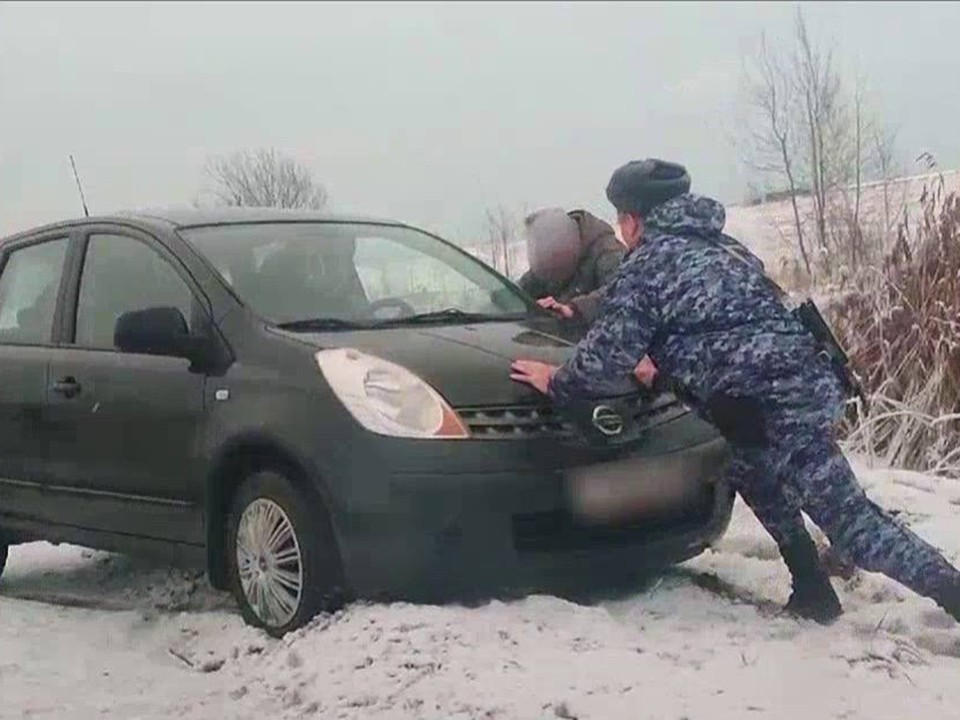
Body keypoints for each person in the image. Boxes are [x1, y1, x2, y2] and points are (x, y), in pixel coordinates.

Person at [510, 158, 960, 625]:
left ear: (632, 219)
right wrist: (662, 374)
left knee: (854, 527)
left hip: (780, 406)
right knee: (752, 472)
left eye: (622, 217)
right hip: (782, 393)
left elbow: (602, 364)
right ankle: (811, 588)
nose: (622, 229)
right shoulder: (723, 247)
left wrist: (557, 381)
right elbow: (722, 332)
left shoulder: (648, 265)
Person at [518, 206, 659, 387]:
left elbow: (622, 292)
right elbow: (517, 292)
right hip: (565, 348)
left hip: (611, 354)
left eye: (562, 271)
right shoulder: (546, 254)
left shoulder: (608, 252)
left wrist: (574, 308)